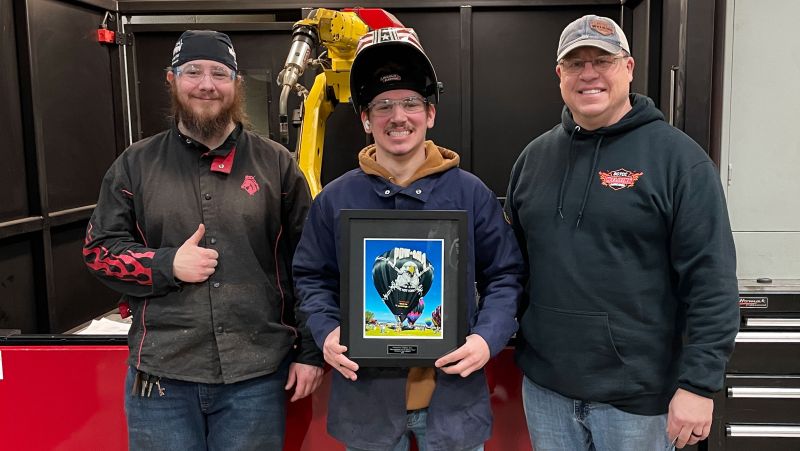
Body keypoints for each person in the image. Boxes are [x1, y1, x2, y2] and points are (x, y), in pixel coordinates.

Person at [504, 15, 739, 450]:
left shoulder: (678, 161)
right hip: (546, 391)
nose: (589, 74)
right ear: (560, 75)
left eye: (603, 61)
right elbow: (512, 270)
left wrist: (700, 384)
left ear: (628, 68)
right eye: (575, 63)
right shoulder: (533, 160)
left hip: (639, 402)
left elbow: (712, 282)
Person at [83, 30, 323, 450]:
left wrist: (309, 353)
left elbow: (309, 266)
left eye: (219, 73)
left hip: (256, 377)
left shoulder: (277, 166)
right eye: (193, 71)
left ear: (237, 84)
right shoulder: (134, 165)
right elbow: (99, 251)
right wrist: (166, 265)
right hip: (160, 378)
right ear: (172, 79)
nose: (207, 84)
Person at [292, 27, 525, 451]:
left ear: (430, 113)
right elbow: (311, 277)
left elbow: (506, 275)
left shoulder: (471, 194)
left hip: (453, 403)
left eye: (410, 102)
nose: (398, 116)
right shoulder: (334, 199)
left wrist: (485, 339)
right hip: (368, 406)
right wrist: (326, 332)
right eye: (382, 105)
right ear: (365, 119)